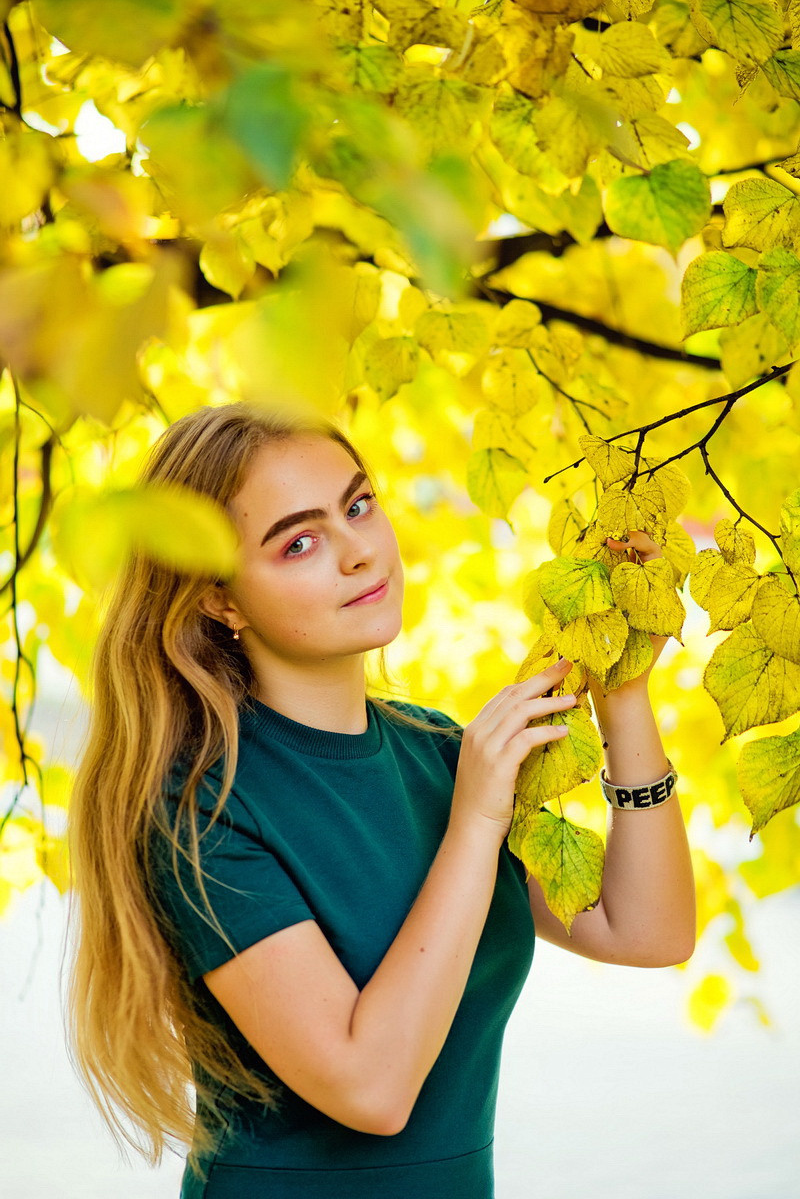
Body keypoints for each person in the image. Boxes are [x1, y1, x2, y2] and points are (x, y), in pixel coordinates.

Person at [67, 401, 696, 1199]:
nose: (360, 552)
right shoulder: (197, 804)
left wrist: (625, 699)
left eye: (358, 506)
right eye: (299, 542)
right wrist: (473, 821)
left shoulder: (437, 752)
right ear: (217, 601)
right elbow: (371, 1089)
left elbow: (647, 932)